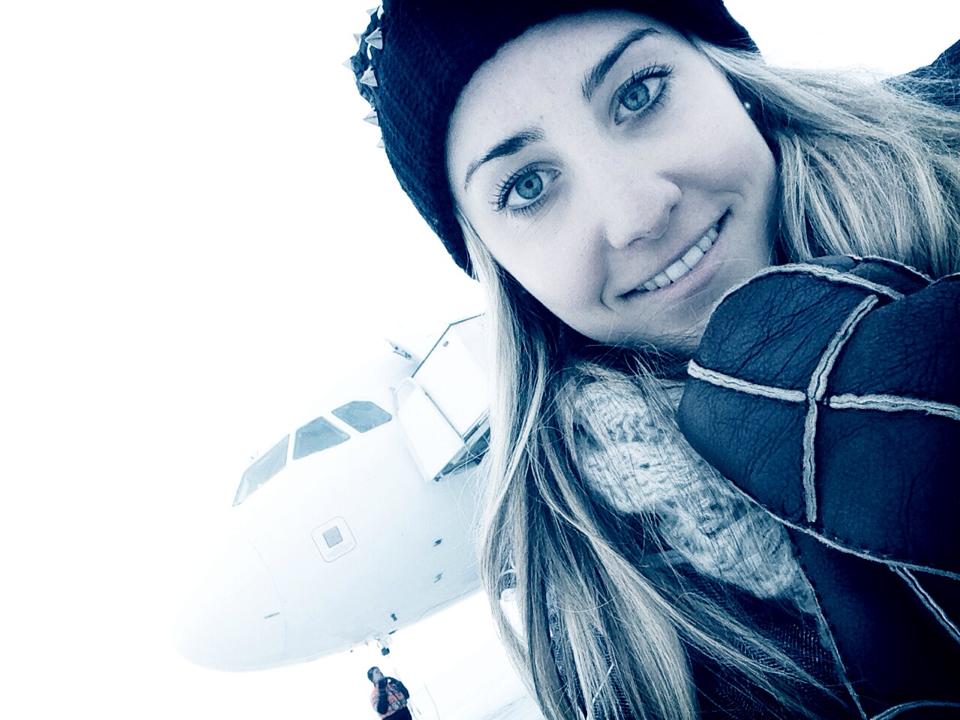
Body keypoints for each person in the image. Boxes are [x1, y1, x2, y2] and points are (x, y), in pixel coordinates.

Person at [349, 2, 960, 718]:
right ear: (502, 270)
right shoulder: (632, 653)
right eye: (528, 186)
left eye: (639, 94)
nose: (637, 214)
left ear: (729, 74)